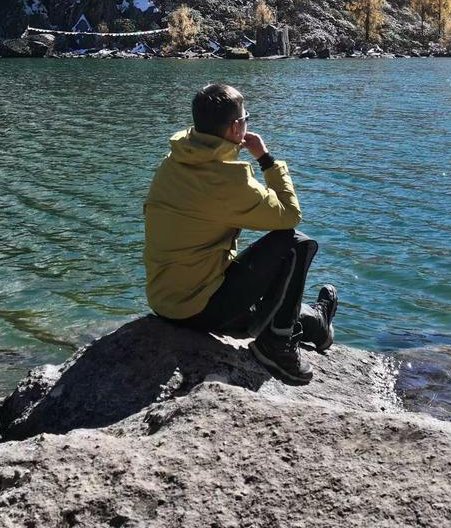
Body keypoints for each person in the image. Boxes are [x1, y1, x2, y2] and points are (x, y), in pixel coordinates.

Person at [143, 81, 338, 384]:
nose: (247, 125)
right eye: (247, 119)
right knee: (295, 243)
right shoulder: (228, 179)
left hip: (163, 300)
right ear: (236, 128)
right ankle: (277, 348)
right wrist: (266, 159)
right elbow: (289, 215)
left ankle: (316, 324)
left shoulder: (175, 159)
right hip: (198, 309)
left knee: (266, 309)